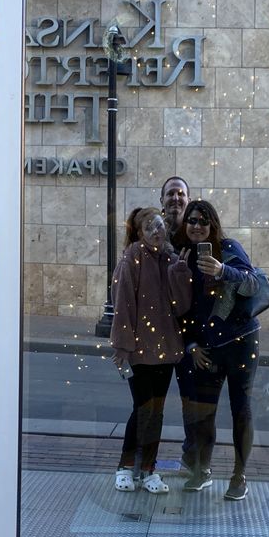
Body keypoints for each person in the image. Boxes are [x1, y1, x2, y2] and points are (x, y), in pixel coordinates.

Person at [174, 200, 260, 500]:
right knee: (203, 410)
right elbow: (180, 308)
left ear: (213, 224)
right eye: (192, 220)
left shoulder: (228, 247)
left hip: (240, 342)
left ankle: (239, 475)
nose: (197, 226)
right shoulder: (184, 257)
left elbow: (252, 284)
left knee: (241, 408)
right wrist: (190, 345)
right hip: (206, 347)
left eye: (203, 220)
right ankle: (203, 470)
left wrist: (223, 270)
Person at [110, 207, 191, 494]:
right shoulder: (132, 258)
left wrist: (180, 273)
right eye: (149, 227)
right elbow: (122, 302)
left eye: (159, 225)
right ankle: (125, 466)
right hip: (140, 350)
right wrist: (123, 345)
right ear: (139, 233)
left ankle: (148, 469)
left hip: (166, 350)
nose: (156, 231)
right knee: (143, 408)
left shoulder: (171, 259)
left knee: (156, 411)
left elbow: (182, 306)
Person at [160, 176, 191, 247]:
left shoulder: (196, 232)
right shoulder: (151, 230)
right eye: (170, 194)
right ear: (162, 201)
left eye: (180, 194)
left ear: (188, 201)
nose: (176, 198)